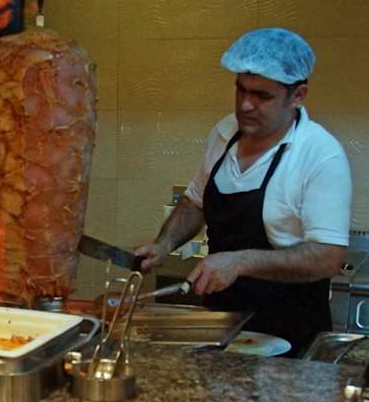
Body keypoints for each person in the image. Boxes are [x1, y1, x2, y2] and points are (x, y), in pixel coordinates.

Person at [134, 28, 351, 356]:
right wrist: (163, 244)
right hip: (221, 331)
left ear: (298, 96)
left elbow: (328, 257)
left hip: (290, 342)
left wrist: (239, 262)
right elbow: (195, 202)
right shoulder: (224, 133)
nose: (246, 105)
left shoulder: (320, 154)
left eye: (262, 96)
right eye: (241, 89)